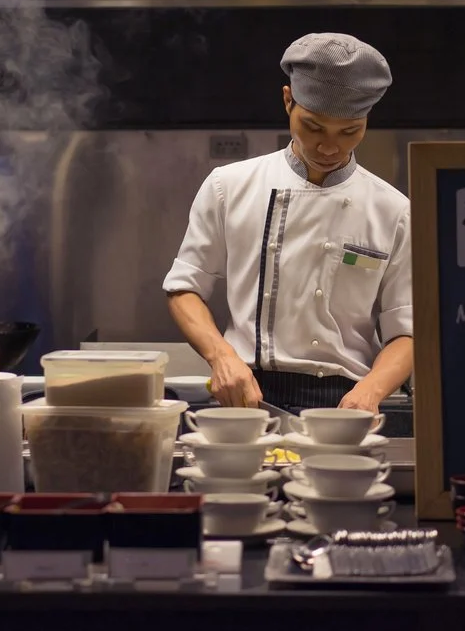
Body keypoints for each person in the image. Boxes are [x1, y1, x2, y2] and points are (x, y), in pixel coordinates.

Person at [164, 33, 413, 414]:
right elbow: (184, 288)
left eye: (349, 132)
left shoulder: (393, 210)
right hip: (245, 395)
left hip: (345, 403)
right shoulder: (228, 186)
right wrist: (221, 357)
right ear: (287, 100)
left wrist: (373, 391)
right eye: (313, 127)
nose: (330, 147)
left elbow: (408, 329)